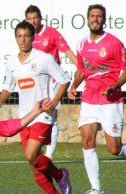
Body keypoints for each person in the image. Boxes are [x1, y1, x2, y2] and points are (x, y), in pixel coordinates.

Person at [67, 4, 126, 194]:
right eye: (92, 16)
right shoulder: (82, 43)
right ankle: (96, 189)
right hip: (90, 99)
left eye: (99, 16)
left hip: (110, 101)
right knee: (87, 140)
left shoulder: (114, 43)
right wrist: (74, 85)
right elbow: (82, 69)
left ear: (104, 20)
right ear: (87, 18)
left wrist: (115, 86)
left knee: (114, 149)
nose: (95, 19)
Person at [0, 20, 72, 194]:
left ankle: (60, 174)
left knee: (31, 155)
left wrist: (53, 102)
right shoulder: (11, 63)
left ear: (33, 37)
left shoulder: (44, 58)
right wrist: (0, 100)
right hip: (25, 117)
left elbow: (64, 80)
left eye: (26, 36)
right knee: (34, 165)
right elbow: (8, 87)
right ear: (15, 38)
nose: (23, 39)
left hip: (43, 114)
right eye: (19, 36)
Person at [25, 5, 77, 160]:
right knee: (34, 115)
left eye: (35, 18)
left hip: (53, 83)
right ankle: (38, 146)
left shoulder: (51, 34)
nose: (33, 21)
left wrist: (82, 70)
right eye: (30, 18)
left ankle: (49, 155)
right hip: (35, 84)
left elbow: (68, 52)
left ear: (41, 18)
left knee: (50, 114)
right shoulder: (27, 36)